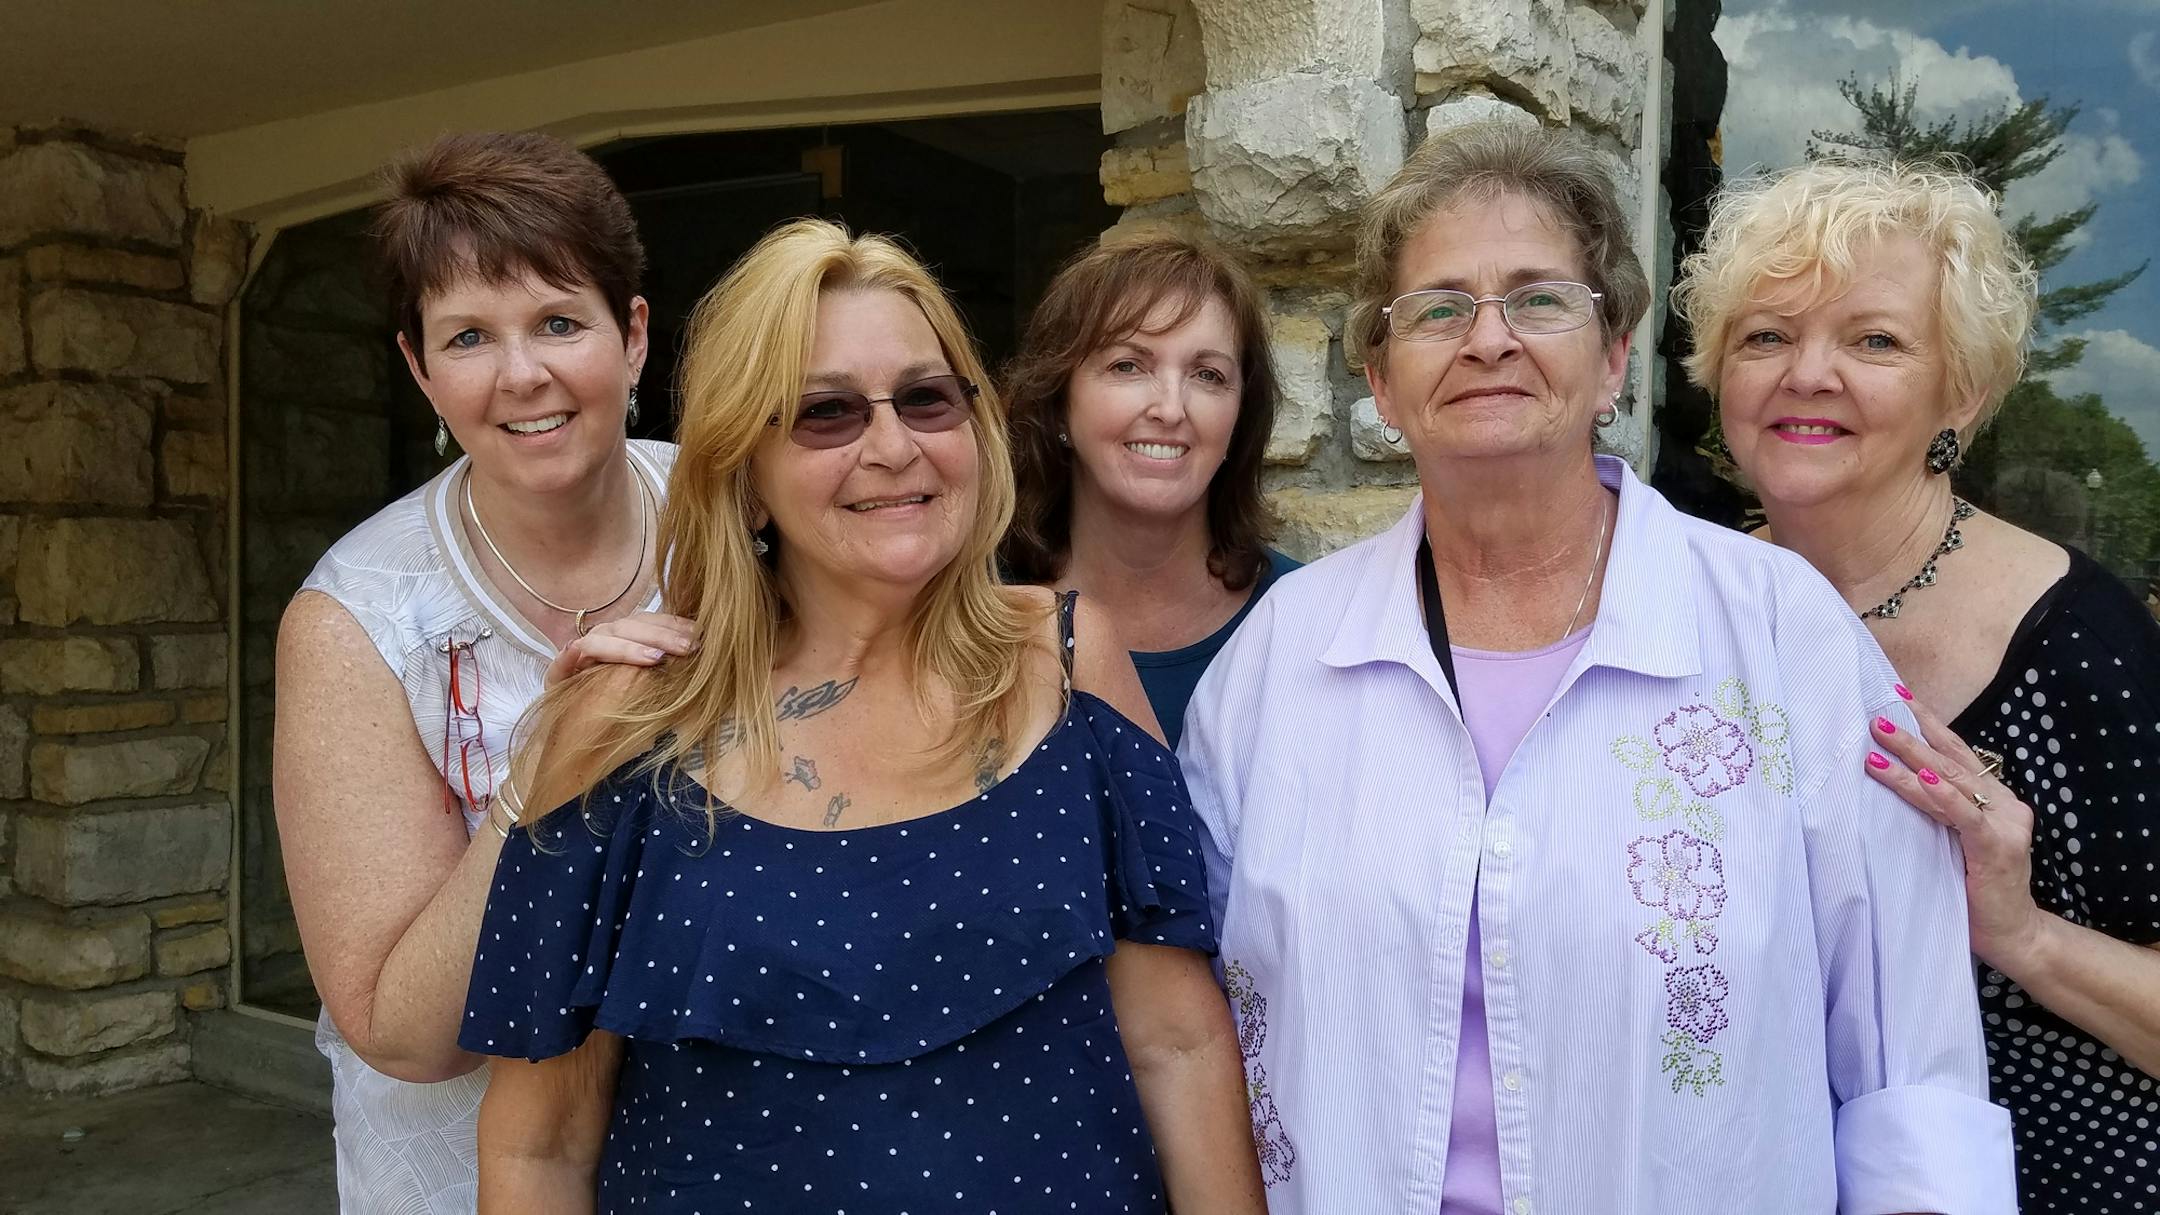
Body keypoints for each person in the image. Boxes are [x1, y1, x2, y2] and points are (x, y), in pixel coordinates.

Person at [1178, 120, 2016, 1213]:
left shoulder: (1782, 636)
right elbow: (1193, 1033)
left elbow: (1911, 1063)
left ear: (1613, 354)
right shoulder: (1283, 660)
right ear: (1382, 382)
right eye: (1438, 308)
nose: (1488, 340)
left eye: (1538, 300)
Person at [459, 218, 1266, 1214]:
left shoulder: (1064, 659)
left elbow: (1177, 1045)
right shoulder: (623, 723)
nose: (893, 447)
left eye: (927, 400)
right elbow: (541, 1149)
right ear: (742, 476)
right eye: (825, 413)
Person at [1674, 158, 2160, 1213]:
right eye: (1766, 336)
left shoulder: (2085, 649)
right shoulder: (1680, 614)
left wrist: (2023, 936)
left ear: (1963, 390)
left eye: (1874, 340)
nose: (1808, 373)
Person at [273, 131, 696, 1213]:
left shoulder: (737, 524)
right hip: (461, 1172)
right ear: (419, 368)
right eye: (469, 336)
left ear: (634, 333)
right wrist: (538, 782)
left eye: (560, 321)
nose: (523, 375)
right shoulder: (358, 619)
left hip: (728, 1149)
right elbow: (403, 1034)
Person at [1001, 233, 1298, 748]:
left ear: (1239, 419)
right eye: (1128, 366)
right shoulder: (975, 616)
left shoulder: (1304, 618)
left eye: (1207, 375)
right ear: (1058, 404)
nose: (1170, 408)